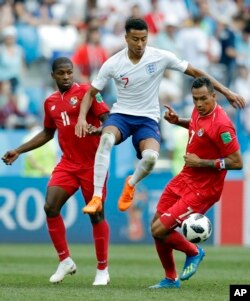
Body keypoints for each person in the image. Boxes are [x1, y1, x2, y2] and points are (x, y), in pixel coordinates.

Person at [75, 17, 245, 215]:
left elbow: (196, 72)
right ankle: (96, 197)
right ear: (126, 38)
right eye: (135, 39)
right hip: (121, 114)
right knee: (105, 139)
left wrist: (227, 92)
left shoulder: (159, 56)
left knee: (150, 159)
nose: (140, 44)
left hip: (147, 118)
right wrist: (81, 119)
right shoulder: (113, 63)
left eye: (144, 39)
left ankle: (131, 183)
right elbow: (90, 93)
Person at [1, 57, 111, 286]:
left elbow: (108, 120)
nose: (66, 77)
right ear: (53, 75)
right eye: (61, 73)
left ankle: (102, 269)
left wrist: (97, 130)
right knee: (50, 206)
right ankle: (65, 260)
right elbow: (47, 133)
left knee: (96, 214)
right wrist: (19, 150)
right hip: (68, 164)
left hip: (93, 164)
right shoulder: (50, 102)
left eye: (69, 72)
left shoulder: (88, 93)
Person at [149, 76, 243, 289]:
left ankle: (194, 251)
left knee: (159, 230)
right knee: (155, 223)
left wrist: (202, 162)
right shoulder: (198, 111)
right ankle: (171, 279)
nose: (199, 104)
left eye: (203, 99)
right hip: (185, 177)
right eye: (195, 99)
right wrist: (178, 121)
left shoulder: (223, 126)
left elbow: (237, 162)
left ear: (213, 96)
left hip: (203, 188)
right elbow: (196, 128)